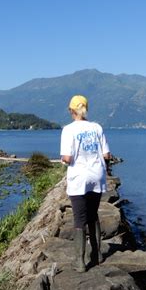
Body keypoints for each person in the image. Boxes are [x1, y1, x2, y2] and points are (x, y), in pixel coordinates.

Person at [60, 95, 111, 272]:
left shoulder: (68, 130)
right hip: (97, 176)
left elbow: (67, 158)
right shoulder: (97, 127)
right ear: (86, 109)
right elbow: (106, 155)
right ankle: (97, 255)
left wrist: (63, 161)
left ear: (71, 110)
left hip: (79, 178)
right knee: (93, 214)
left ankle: (80, 262)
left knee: (79, 219)